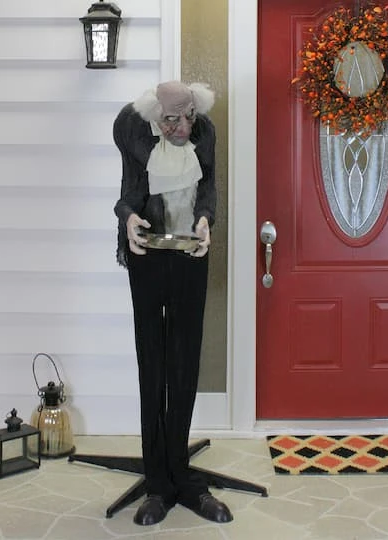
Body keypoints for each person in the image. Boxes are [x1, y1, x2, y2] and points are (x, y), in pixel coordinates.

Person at [113, 81, 232, 526]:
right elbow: (128, 192)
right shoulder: (132, 130)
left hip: (190, 256)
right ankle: (157, 483)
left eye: (189, 117)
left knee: (184, 366)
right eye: (171, 120)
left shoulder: (204, 133)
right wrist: (128, 219)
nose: (182, 128)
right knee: (153, 365)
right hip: (146, 255)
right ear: (154, 117)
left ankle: (182, 475)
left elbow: (209, 188)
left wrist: (206, 220)